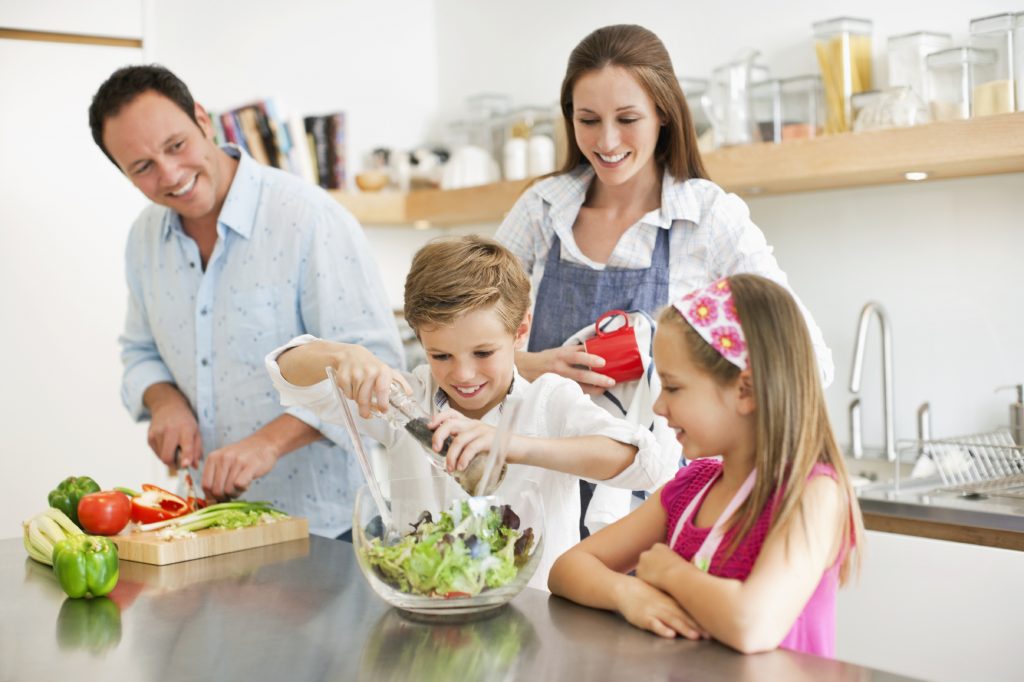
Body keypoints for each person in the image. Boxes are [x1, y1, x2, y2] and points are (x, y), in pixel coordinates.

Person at [494, 24, 834, 536]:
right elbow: (466, 344)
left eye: (627, 119)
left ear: (664, 115)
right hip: (537, 490)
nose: (606, 141)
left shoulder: (707, 217)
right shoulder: (543, 210)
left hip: (658, 504)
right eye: (588, 120)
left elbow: (806, 355)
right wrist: (530, 365)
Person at [88, 65, 403, 538]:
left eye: (176, 146)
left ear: (202, 120)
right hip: (206, 528)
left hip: (324, 530)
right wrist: (164, 400)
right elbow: (139, 352)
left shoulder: (309, 219)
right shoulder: (144, 240)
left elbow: (376, 370)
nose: (171, 175)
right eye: (143, 167)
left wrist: (268, 444)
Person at [265, 236, 674, 588]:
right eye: (440, 354)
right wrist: (341, 355)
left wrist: (511, 446)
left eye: (483, 353)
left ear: (520, 331)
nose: (462, 374)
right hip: (432, 622)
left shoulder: (549, 401)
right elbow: (285, 371)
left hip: (533, 629)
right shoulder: (408, 401)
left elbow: (645, 464)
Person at [549, 274, 863, 656]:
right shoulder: (691, 488)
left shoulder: (811, 495)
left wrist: (669, 572)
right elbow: (567, 568)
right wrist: (627, 592)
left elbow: (753, 625)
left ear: (745, 391)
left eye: (674, 387)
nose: (658, 406)